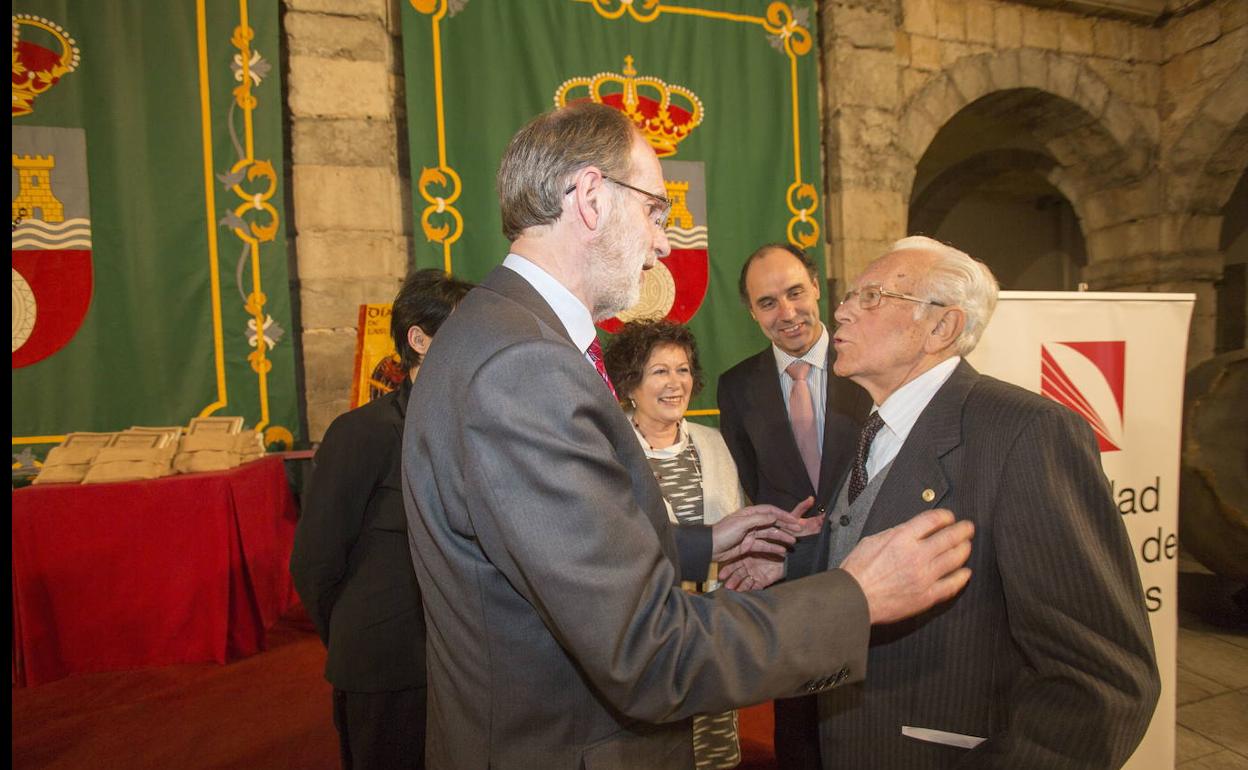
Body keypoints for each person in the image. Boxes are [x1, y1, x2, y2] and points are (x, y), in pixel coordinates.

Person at [401, 102, 975, 770]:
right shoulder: (524, 367)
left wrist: (701, 546)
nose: (665, 243)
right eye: (655, 210)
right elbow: (647, 654)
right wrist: (857, 597)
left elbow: (553, 549)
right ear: (589, 196)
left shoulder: (499, 330)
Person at [814, 236, 1159, 767]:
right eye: (849, 296)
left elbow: (1102, 680)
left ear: (941, 327)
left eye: (872, 296)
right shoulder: (875, 425)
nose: (841, 310)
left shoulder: (1029, 432)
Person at [290, 268, 473, 770]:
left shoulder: (479, 425)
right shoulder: (362, 433)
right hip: (386, 662)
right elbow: (315, 561)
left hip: (466, 661)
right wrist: (358, 632)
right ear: (418, 339)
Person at [716, 243, 872, 770]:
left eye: (795, 292)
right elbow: (750, 482)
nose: (786, 313)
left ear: (816, 284)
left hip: (870, 571)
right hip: (789, 588)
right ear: (752, 313)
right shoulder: (736, 387)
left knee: (869, 722)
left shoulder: (871, 366)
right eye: (767, 303)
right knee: (799, 731)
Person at [603, 319, 761, 770]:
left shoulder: (715, 445)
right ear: (630, 383)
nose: (677, 383)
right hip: (645, 637)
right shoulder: (610, 453)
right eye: (660, 372)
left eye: (684, 369)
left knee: (713, 753)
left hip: (712, 633)